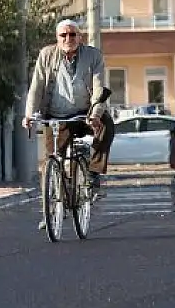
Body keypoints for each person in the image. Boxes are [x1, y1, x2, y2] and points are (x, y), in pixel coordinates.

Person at [23, 18, 116, 192]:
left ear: (80, 37)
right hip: (56, 116)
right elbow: (37, 87)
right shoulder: (46, 55)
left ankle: (93, 172)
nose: (68, 38)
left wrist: (95, 114)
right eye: (63, 35)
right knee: (51, 161)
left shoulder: (93, 55)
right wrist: (29, 114)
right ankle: (51, 210)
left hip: (85, 114)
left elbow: (99, 88)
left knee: (107, 125)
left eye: (72, 34)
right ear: (57, 38)